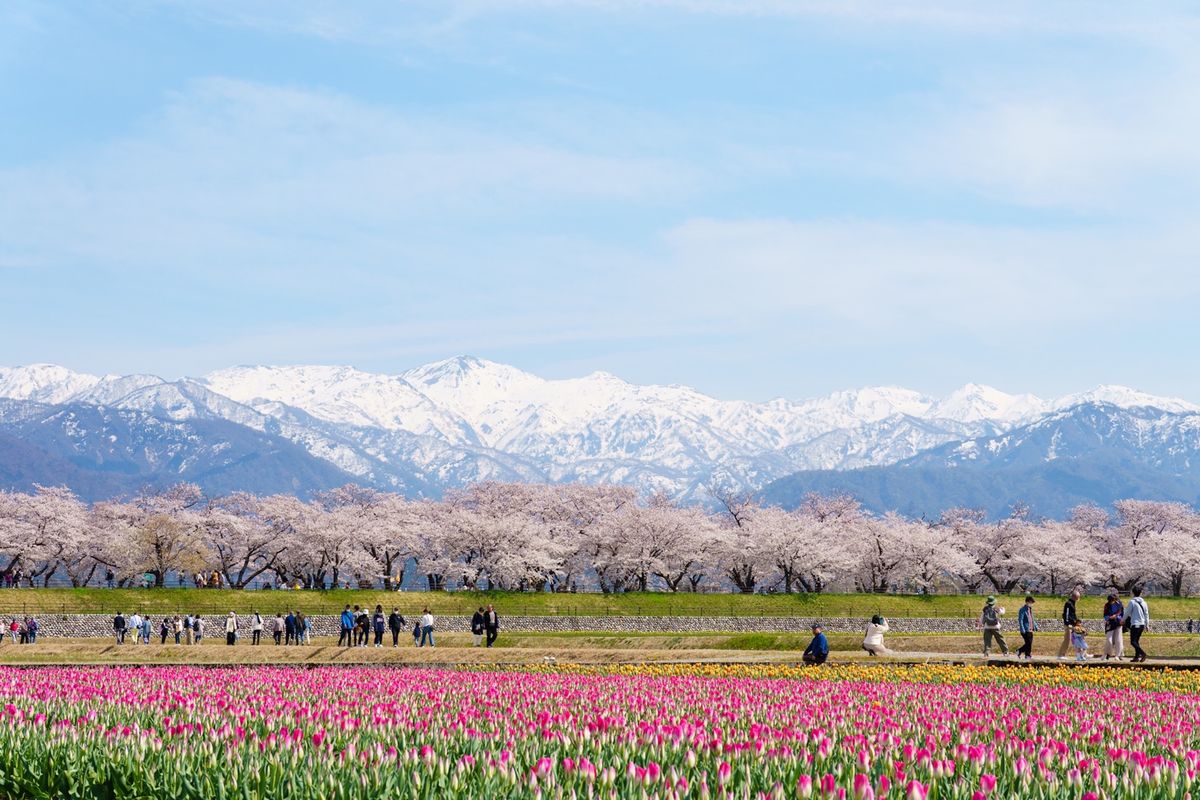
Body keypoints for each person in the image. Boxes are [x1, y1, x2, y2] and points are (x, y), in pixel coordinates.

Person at [1127, 588, 1150, 663]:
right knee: (1136, 641)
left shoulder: (1132, 602)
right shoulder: (1144, 602)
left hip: (1135, 624)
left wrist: (1122, 620)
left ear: (1133, 593)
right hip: (1142, 624)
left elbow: (1127, 612)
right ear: (1140, 593)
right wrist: (1147, 624)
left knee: (1133, 642)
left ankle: (1143, 654)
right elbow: (1146, 614)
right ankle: (1136, 657)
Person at [1057, 589, 1080, 660]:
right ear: (1075, 597)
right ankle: (1061, 654)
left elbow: (1073, 614)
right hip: (1068, 625)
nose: (1078, 599)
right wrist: (1067, 623)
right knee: (1067, 639)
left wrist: (1076, 622)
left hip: (1072, 624)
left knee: (1077, 638)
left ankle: (1082, 654)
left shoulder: (1073, 603)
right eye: (1078, 597)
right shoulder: (1068, 603)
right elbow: (1066, 614)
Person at [1103, 593, 1125, 660]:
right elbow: (1105, 615)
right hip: (1110, 624)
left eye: (1113, 600)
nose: (1112, 602)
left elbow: (1122, 614)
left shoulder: (1119, 604)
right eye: (1111, 601)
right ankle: (1108, 653)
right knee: (1109, 640)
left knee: (1118, 640)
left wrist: (1117, 617)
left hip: (1118, 623)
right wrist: (1109, 618)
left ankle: (1118, 655)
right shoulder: (1107, 605)